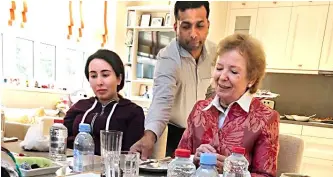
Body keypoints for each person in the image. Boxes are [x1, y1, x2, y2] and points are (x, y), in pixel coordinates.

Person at [178, 33, 280, 176]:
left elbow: (266, 175)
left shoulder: (266, 118)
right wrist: (193, 158)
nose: (222, 77)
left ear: (251, 78)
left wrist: (234, 171)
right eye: (219, 68)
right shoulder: (200, 109)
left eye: (233, 71)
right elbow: (178, 159)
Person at [130, 1, 217, 160]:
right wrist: (149, 137)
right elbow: (161, 101)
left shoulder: (215, 53)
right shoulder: (167, 58)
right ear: (176, 27)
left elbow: (213, 91)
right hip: (177, 136)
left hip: (208, 135)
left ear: (208, 25)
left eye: (200, 25)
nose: (193, 34)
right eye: (186, 26)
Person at [64, 49, 144, 155]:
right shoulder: (79, 106)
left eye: (105, 75)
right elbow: (63, 141)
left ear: (119, 78)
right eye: (93, 76)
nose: (99, 82)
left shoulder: (133, 112)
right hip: (75, 166)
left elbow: (130, 154)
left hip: (111, 169)